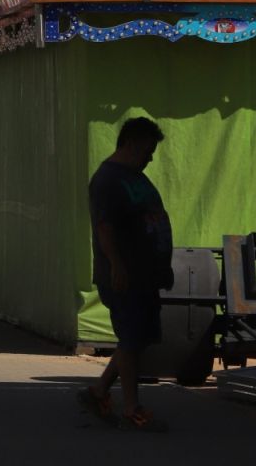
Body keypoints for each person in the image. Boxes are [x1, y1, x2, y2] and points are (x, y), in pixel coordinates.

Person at [81, 116, 173, 433]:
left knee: (138, 338)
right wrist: (117, 264)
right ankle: (132, 408)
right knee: (132, 338)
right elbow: (104, 227)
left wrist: (162, 263)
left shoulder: (132, 175)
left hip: (144, 272)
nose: (151, 157)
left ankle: (99, 391)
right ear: (131, 142)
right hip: (123, 275)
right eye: (148, 150)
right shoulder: (108, 179)